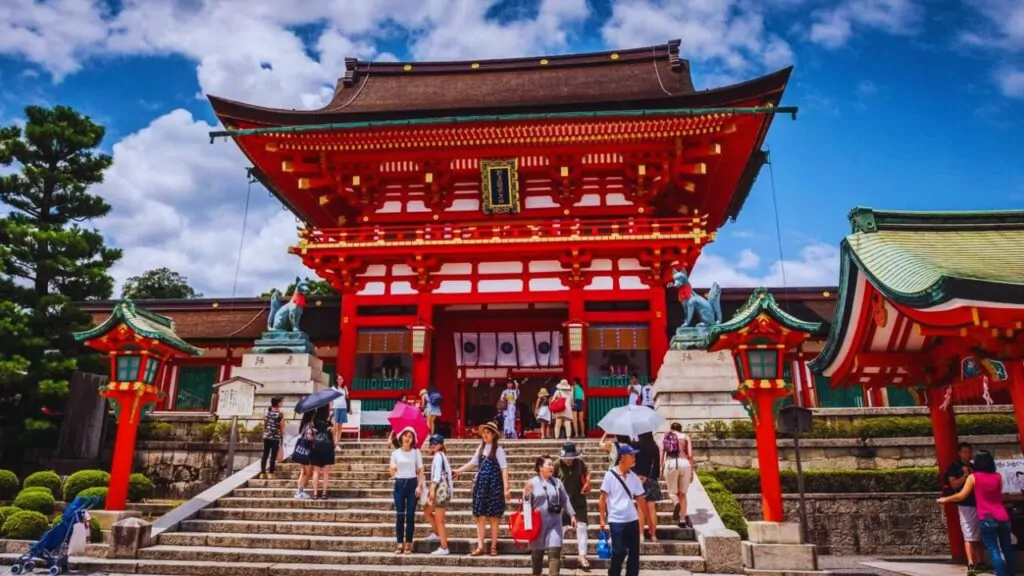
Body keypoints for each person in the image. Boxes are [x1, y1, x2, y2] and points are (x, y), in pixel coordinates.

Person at [940, 450, 1014, 576]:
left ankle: (1001, 574)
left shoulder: (973, 477)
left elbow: (961, 495)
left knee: (994, 549)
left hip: (986, 517)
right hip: (1002, 516)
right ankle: (1010, 573)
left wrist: (945, 499)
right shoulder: (998, 476)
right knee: (1007, 548)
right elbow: (998, 494)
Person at [454, 421, 511, 557]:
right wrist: (459, 471)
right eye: (484, 433)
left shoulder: (498, 450)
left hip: (494, 485)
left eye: (488, 433)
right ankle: (480, 546)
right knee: (479, 516)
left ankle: (493, 546)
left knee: (494, 517)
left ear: (493, 435)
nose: (485, 435)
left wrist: (506, 488)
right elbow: (473, 463)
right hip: (481, 485)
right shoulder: (480, 448)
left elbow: (504, 469)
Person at [524, 455, 577, 576]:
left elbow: (565, 499)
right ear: (540, 467)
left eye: (552, 464)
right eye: (548, 464)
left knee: (554, 554)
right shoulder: (531, 483)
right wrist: (526, 495)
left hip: (554, 523)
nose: (551, 467)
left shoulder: (557, 482)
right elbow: (526, 504)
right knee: (537, 557)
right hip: (537, 524)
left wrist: (572, 515)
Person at [599, 444, 647, 576]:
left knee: (634, 553)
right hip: (616, 520)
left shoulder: (634, 477)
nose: (634, 458)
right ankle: (613, 573)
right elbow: (603, 498)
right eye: (631, 455)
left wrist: (647, 517)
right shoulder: (610, 475)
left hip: (632, 519)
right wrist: (602, 519)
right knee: (619, 551)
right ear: (623, 457)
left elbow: (640, 498)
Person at [946, 442, 982, 570]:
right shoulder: (955, 467)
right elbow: (954, 484)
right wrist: (965, 476)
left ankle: (980, 560)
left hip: (978, 502)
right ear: (960, 453)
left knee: (978, 534)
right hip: (965, 503)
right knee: (969, 534)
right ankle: (971, 562)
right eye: (965, 452)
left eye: (969, 452)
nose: (967, 454)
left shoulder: (974, 466)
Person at [555, 442, 592, 570]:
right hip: (562, 502)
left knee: (582, 527)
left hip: (578, 501)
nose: (569, 460)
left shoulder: (579, 463)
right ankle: (557, 553)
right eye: (567, 457)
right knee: (561, 529)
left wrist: (587, 482)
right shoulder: (556, 464)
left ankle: (582, 556)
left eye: (571, 457)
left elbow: (587, 473)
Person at [389, 426, 425, 555]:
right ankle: (399, 542)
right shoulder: (395, 453)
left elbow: (420, 470)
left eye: (410, 436)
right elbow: (391, 471)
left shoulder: (416, 452)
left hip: (412, 484)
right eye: (405, 435)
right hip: (399, 484)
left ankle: (408, 543)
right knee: (400, 515)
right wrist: (394, 469)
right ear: (401, 437)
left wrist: (419, 486)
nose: (407, 438)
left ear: (413, 439)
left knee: (410, 515)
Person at [424, 434, 452, 556]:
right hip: (442, 490)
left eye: (435, 443)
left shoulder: (438, 456)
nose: (433, 445)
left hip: (440, 490)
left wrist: (432, 490)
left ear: (441, 445)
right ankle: (437, 534)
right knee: (427, 511)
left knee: (440, 520)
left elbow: (436, 476)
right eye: (431, 443)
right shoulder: (440, 456)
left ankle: (444, 547)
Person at [661, 422, 693, 527]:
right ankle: (682, 520)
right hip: (685, 464)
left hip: (671, 463)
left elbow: (662, 451)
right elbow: (691, 455)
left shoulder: (666, 436)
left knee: (672, 493)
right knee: (683, 494)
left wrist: (661, 466)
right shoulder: (686, 437)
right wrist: (691, 470)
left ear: (671, 429)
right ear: (681, 429)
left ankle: (676, 504)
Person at [633, 432, 662, 541]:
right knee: (651, 508)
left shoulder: (636, 446)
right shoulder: (655, 447)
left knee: (640, 508)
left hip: (638, 479)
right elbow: (657, 466)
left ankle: (641, 534)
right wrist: (650, 477)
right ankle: (653, 535)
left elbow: (633, 463)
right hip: (652, 479)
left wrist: (638, 476)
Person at [308, 405, 335, 500]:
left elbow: (310, 436)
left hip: (316, 447)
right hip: (328, 447)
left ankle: (315, 493)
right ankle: (324, 493)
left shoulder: (314, 421)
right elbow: (334, 432)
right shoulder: (330, 420)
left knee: (316, 471)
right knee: (326, 472)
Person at [260, 396, 285, 479]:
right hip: (275, 437)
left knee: (265, 454)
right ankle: (270, 473)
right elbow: (282, 427)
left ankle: (262, 473)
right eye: (281, 402)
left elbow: (264, 425)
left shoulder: (267, 413)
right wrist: (282, 435)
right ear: (278, 403)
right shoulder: (280, 414)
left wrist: (265, 433)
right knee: (273, 456)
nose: (282, 403)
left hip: (266, 436)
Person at [331, 375, 349, 447]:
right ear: (336, 380)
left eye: (342, 378)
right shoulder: (333, 388)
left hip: (343, 408)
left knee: (340, 427)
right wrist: (331, 409)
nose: (341, 380)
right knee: (335, 426)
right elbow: (330, 399)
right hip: (336, 408)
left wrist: (349, 408)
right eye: (340, 379)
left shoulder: (344, 388)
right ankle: (333, 442)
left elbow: (347, 398)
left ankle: (337, 443)